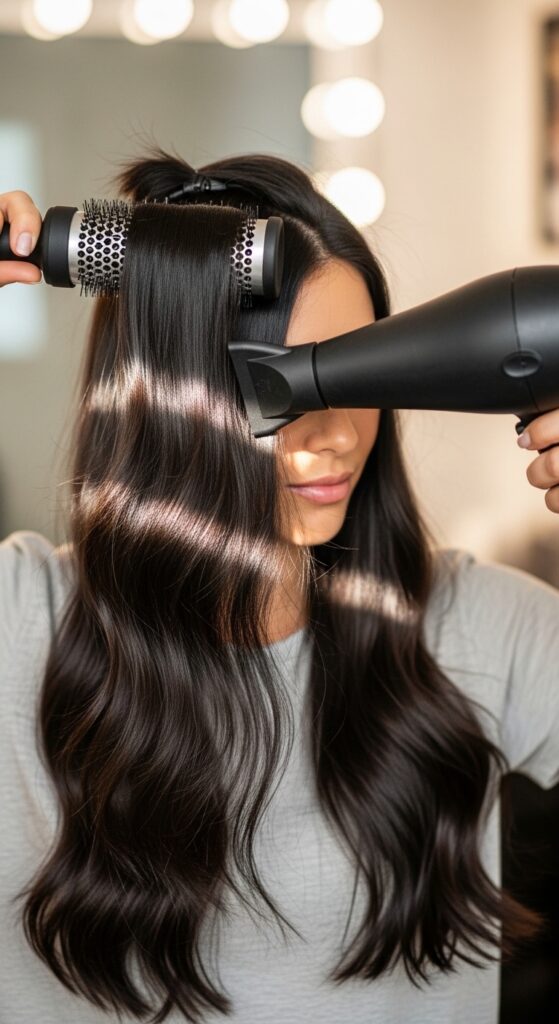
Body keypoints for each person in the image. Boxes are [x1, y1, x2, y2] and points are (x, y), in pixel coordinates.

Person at [0, 148, 558, 1024]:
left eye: (359, 369)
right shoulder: (17, 621)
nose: (333, 435)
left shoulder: (478, 630)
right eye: (278, 381)